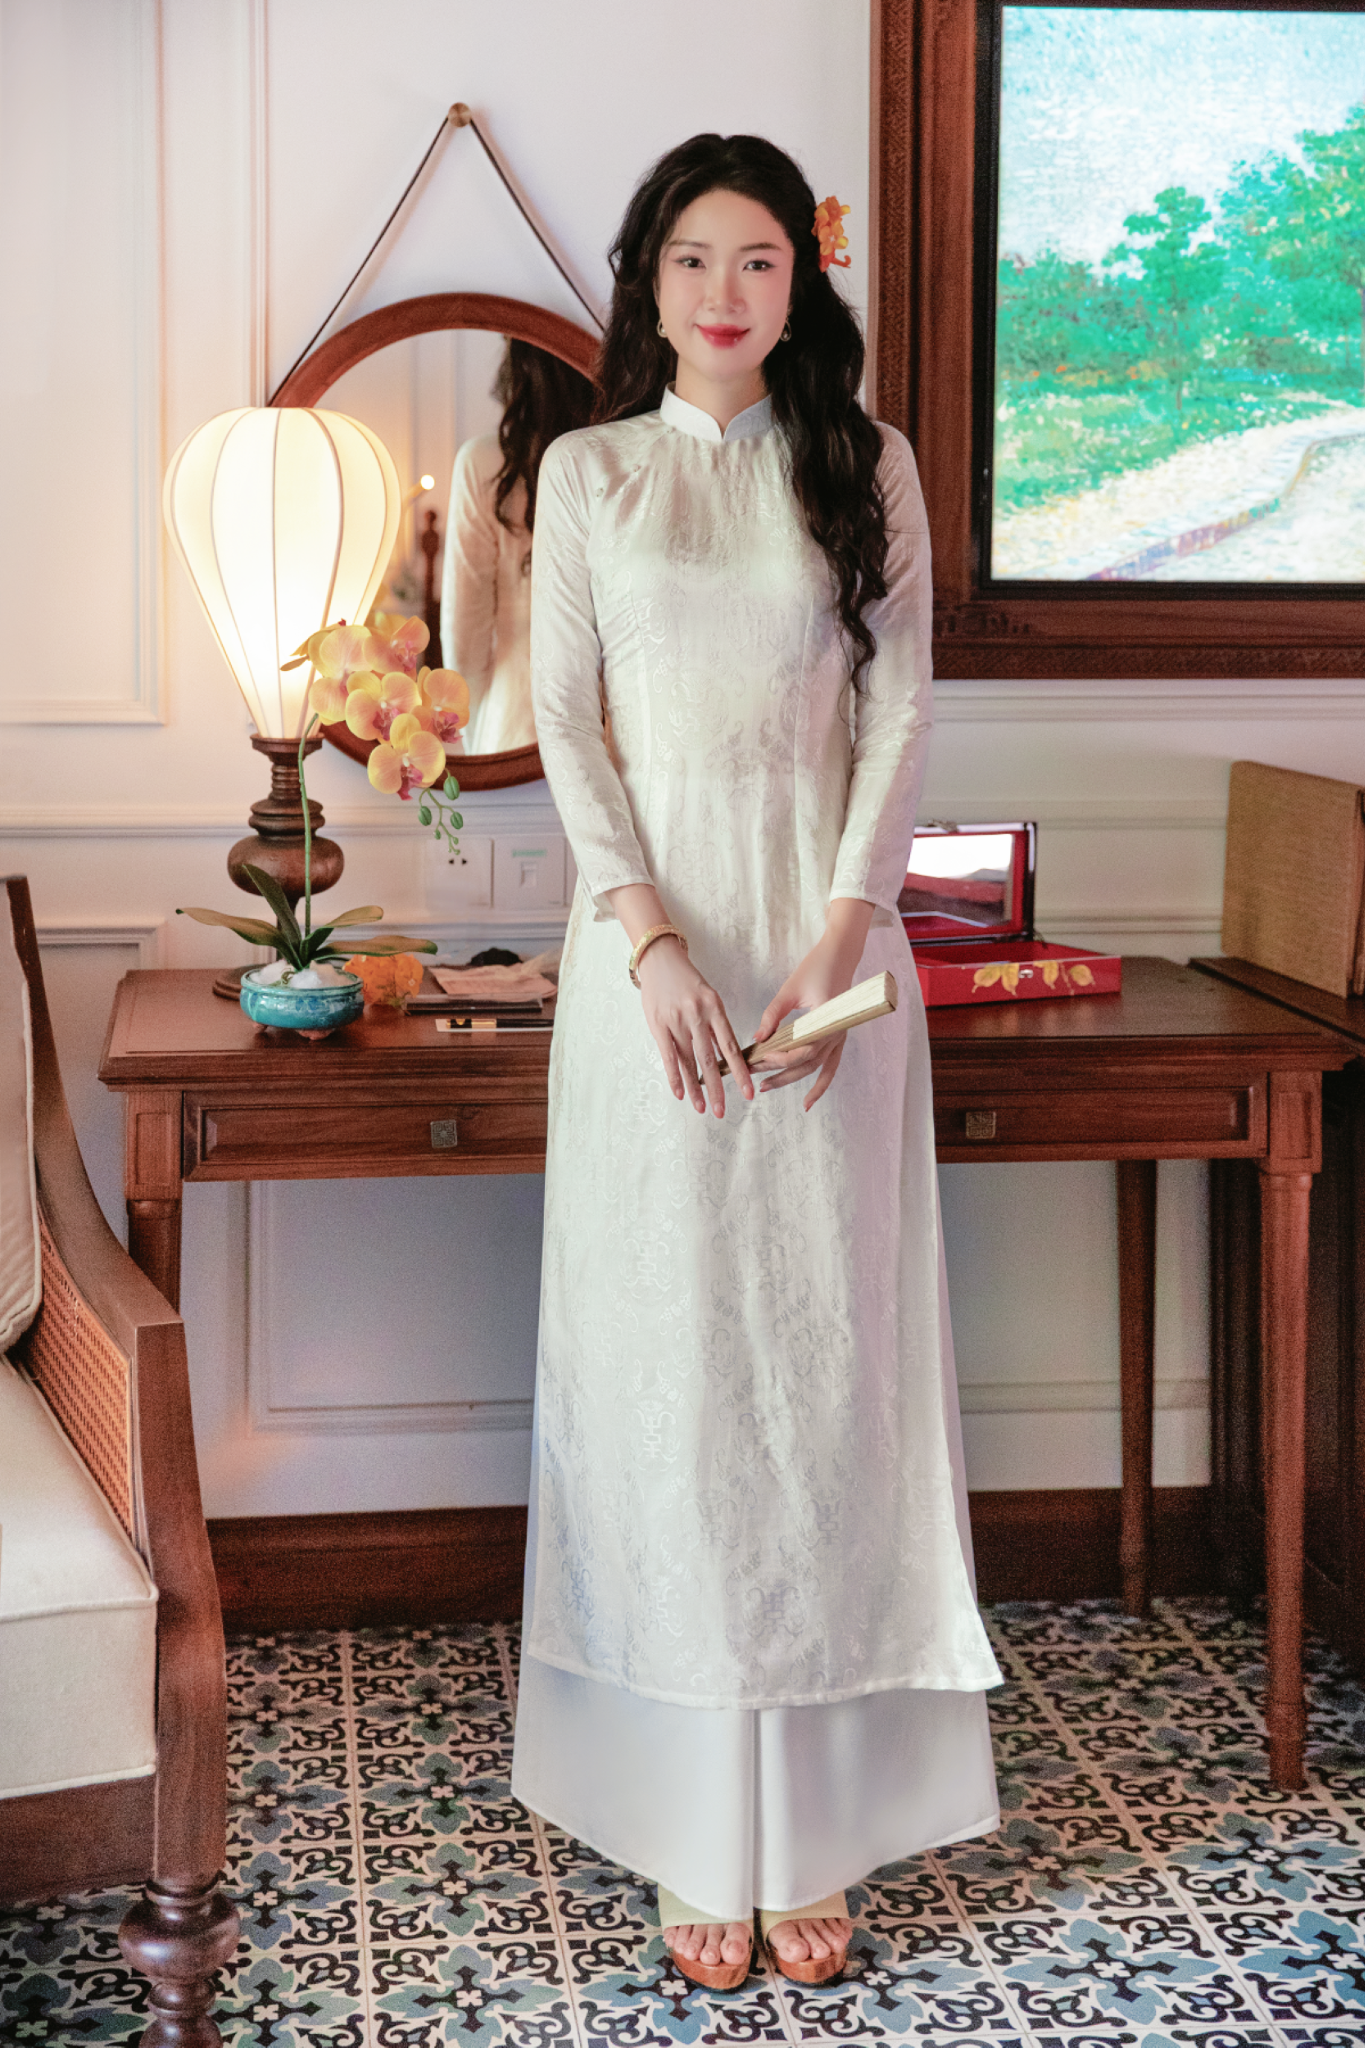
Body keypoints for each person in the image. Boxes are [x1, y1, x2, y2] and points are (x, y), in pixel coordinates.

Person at [511, 132, 1002, 1992]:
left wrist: (845, 926)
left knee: (818, 1380)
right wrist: (648, 942)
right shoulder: (592, 474)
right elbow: (569, 723)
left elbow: (899, 702)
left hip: (826, 985)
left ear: (804, 281)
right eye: (694, 260)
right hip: (645, 984)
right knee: (670, 1384)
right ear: (649, 281)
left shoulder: (864, 463)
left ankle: (808, 1830)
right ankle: (689, 1828)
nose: (726, 294)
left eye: (762, 262)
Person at [440, 339, 593, 754]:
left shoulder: (481, 462)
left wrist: (475, 734)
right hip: (606, 717)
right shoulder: (613, 456)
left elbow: (464, 632)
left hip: (516, 714)